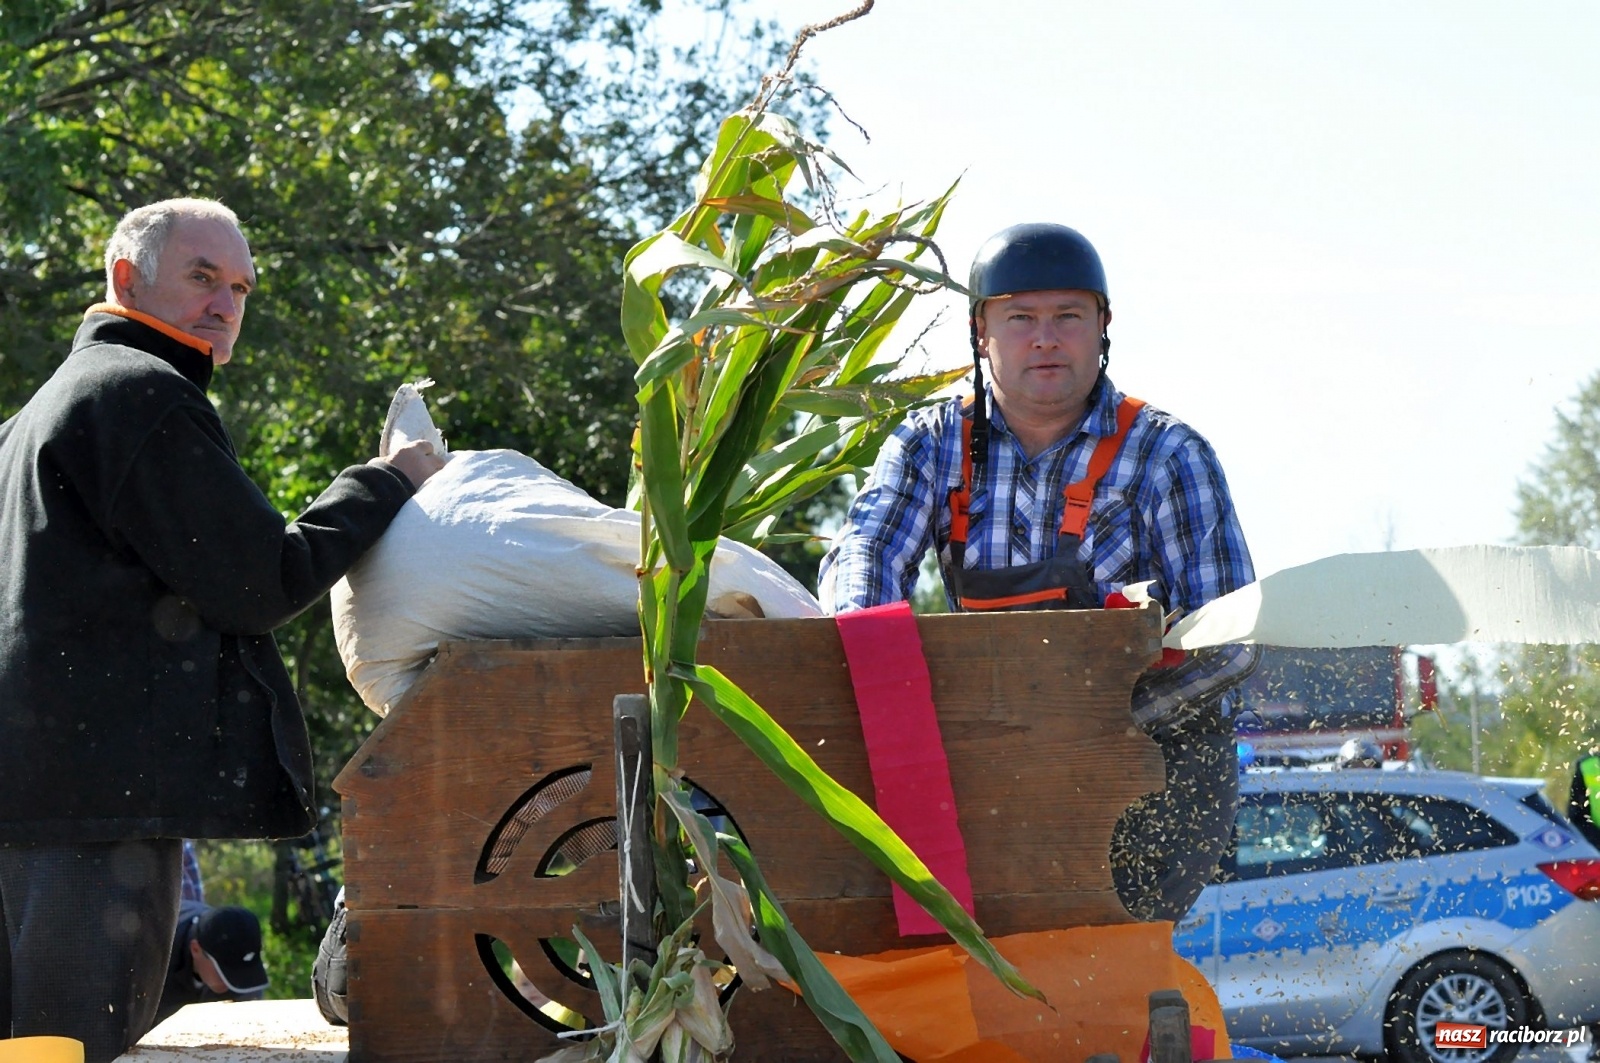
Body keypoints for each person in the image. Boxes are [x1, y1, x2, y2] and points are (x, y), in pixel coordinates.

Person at [0, 198, 444, 1061]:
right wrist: (388, 482)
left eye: (240, 286)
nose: (225, 303)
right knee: (70, 1046)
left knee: (26, 1045)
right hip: (92, 812)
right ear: (127, 278)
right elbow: (259, 581)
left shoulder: (28, 419)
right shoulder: (140, 394)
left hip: (30, 797)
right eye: (202, 276)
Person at [820, 222, 1258, 922]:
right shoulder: (930, 446)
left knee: (1110, 964)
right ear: (981, 330)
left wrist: (1093, 725)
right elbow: (864, 557)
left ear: (1102, 326)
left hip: (1144, 774)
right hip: (984, 764)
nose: (1045, 338)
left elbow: (1230, 640)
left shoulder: (1170, 454)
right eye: (1021, 318)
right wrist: (879, 668)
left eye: (1067, 317)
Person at [154, 903, 269, 1026]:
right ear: (196, 949)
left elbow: (249, 1013)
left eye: (241, 973)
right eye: (224, 971)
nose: (232, 982)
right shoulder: (155, 959)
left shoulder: (230, 936)